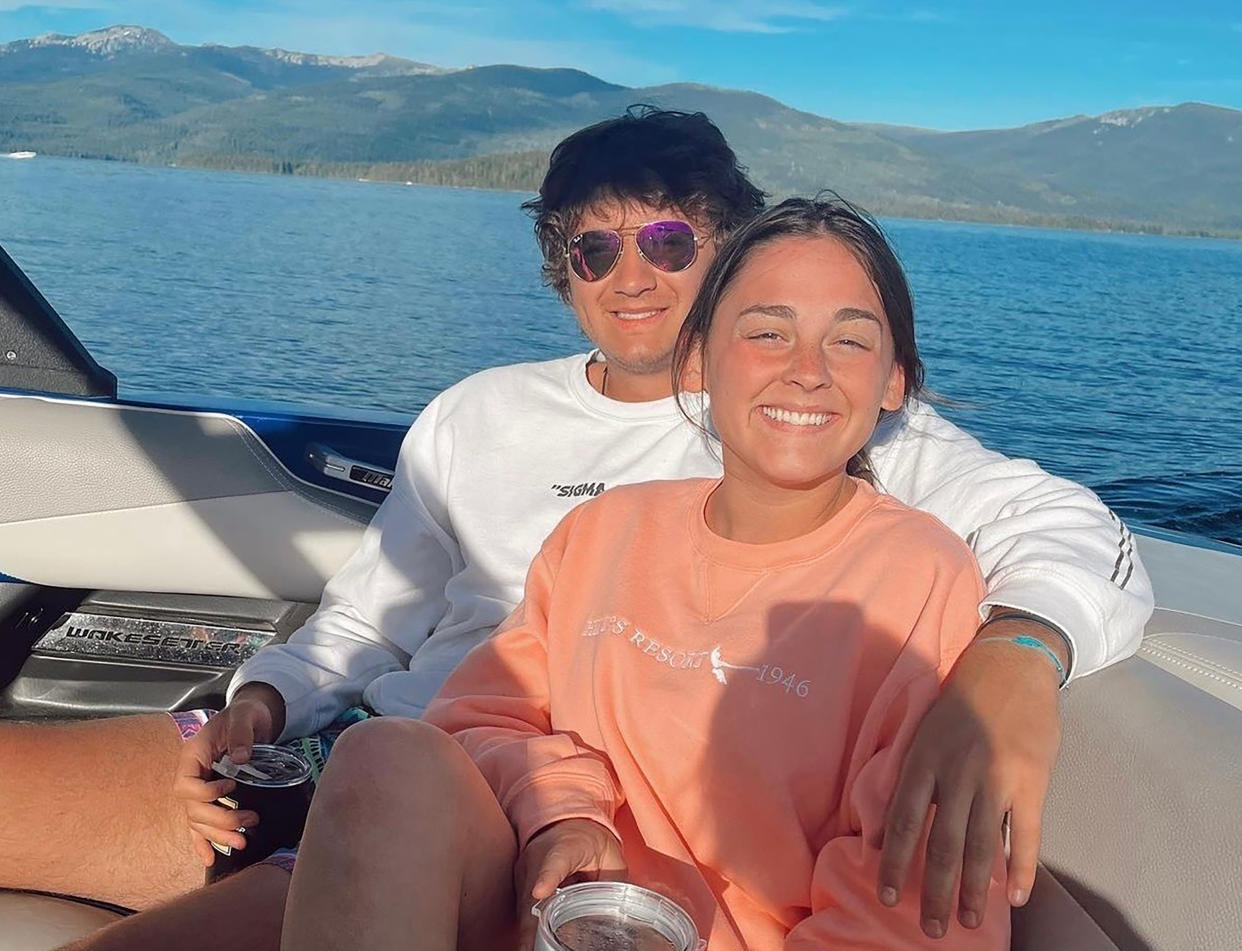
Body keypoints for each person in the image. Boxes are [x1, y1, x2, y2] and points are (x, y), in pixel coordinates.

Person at [9, 108, 1149, 951]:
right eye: (594, 250)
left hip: (504, 835)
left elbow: (1072, 533)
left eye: (666, 239)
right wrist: (254, 701)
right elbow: (369, 615)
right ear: (563, 271)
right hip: (353, 754)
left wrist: (1018, 656)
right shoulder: (480, 415)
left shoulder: (805, 429)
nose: (633, 274)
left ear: (725, 249)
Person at [277, 196, 1012, 951]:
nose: (807, 372)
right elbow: (484, 714)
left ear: (894, 382)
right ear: (696, 360)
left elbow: (910, 906)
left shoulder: (922, 582)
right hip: (540, 911)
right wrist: (563, 813)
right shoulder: (606, 530)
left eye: (850, 342)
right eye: (768, 332)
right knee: (382, 754)